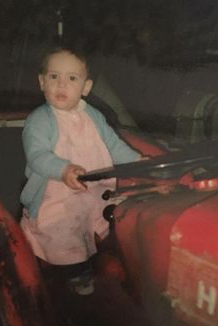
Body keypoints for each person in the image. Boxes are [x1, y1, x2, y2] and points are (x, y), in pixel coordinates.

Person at [20, 44, 141, 295]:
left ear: (85, 87)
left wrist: (139, 163)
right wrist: (63, 170)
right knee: (65, 238)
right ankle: (73, 283)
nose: (62, 85)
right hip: (56, 199)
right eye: (54, 77)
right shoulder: (40, 120)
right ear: (42, 82)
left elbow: (114, 146)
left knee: (105, 231)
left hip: (93, 195)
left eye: (72, 78)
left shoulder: (93, 116)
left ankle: (101, 270)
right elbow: (37, 156)